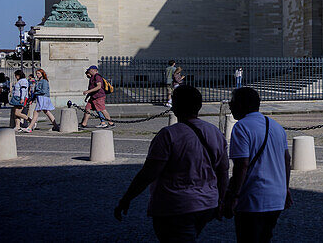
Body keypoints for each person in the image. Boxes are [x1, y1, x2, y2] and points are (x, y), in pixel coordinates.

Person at [115, 84, 227, 240]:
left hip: (176, 205)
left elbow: (149, 173)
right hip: (207, 204)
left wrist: (127, 198)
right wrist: (221, 199)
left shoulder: (168, 135)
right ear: (199, 106)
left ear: (175, 105)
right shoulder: (214, 132)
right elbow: (223, 171)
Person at [222, 87, 291, 243]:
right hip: (276, 198)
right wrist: (285, 188)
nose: (230, 106)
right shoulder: (276, 126)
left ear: (240, 105)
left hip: (253, 197)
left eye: (232, 103)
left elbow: (242, 165)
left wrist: (235, 195)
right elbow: (287, 159)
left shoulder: (241, 127)